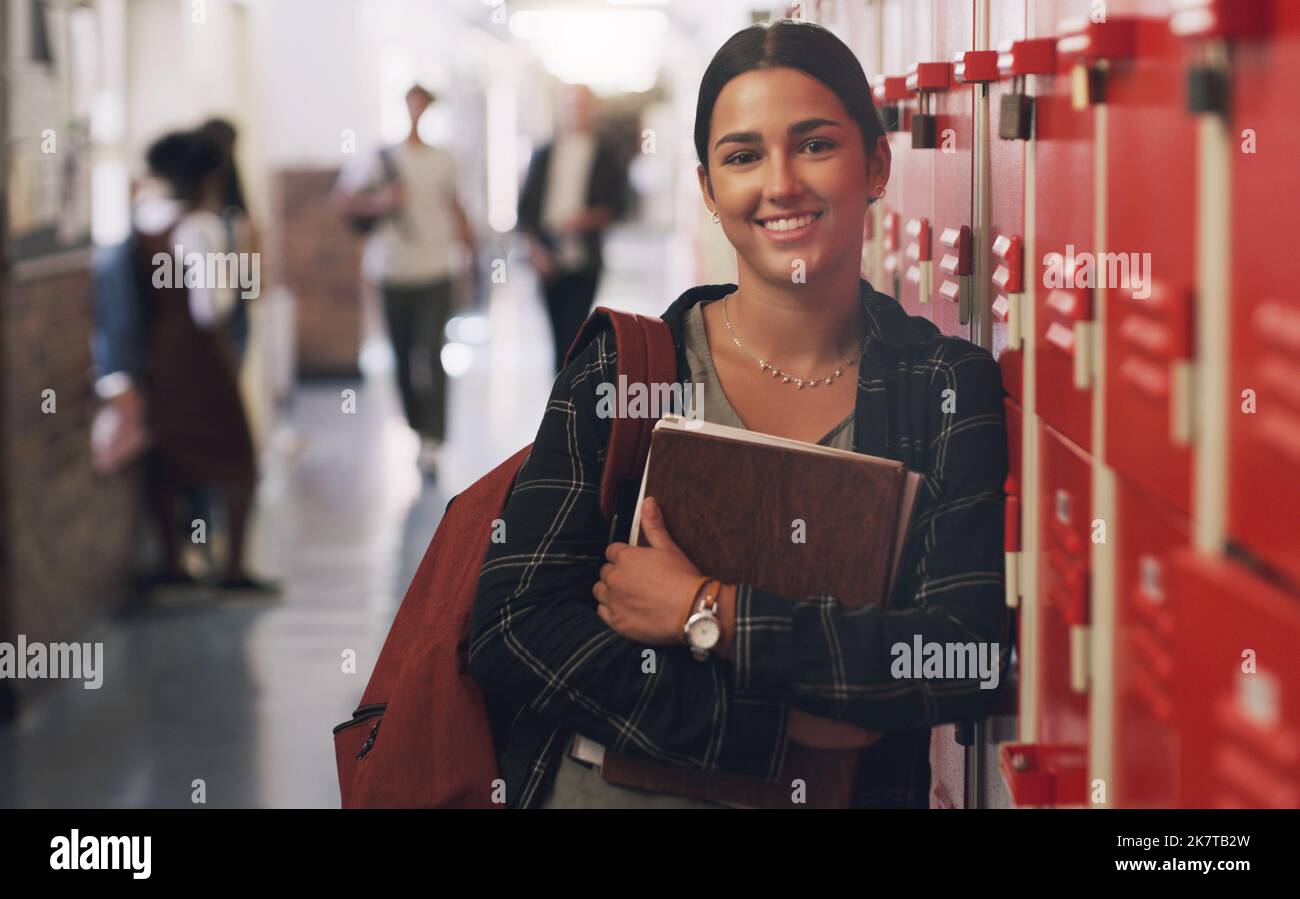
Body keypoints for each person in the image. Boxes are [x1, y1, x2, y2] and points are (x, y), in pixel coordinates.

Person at [468, 19, 1010, 808]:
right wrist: (776, 727)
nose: (780, 182)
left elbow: (957, 656)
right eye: (744, 155)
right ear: (709, 190)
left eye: (815, 144)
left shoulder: (945, 387)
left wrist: (704, 609)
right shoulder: (630, 368)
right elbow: (513, 627)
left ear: (878, 164)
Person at [135, 129, 274, 594]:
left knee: (171, 457)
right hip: (201, 355)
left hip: (160, 353)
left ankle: (174, 563)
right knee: (240, 460)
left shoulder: (147, 222)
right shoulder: (202, 226)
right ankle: (232, 570)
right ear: (212, 174)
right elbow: (209, 306)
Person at [333, 85, 479, 475]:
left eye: (423, 105)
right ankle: (417, 428)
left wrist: (468, 259)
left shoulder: (444, 159)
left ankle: (434, 436)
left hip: (436, 269)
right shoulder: (379, 157)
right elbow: (343, 199)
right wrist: (381, 203)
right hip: (391, 272)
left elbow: (456, 207)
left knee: (432, 353)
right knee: (399, 357)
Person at [516, 83, 629, 373]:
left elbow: (618, 205)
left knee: (576, 334)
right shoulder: (544, 153)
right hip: (548, 256)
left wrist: (587, 219)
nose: (574, 112)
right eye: (569, 105)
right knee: (556, 336)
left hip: (584, 258)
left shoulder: (605, 153)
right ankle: (560, 397)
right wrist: (535, 251)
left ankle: (572, 397)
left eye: (581, 105)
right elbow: (525, 211)